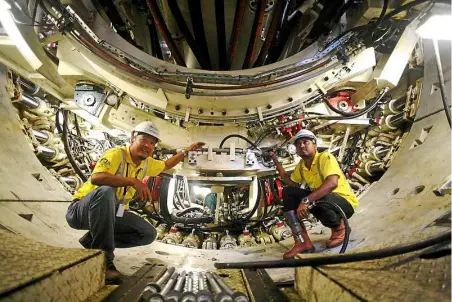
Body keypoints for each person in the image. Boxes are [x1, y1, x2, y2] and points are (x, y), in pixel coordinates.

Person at [66, 121, 204, 281]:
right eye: (144, 140)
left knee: (147, 233)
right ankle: (104, 260)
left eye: (152, 143)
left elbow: (166, 165)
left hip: (109, 213)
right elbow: (97, 178)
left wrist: (186, 152)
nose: (148, 145)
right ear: (132, 140)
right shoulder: (116, 154)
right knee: (106, 191)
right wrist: (133, 181)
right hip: (81, 211)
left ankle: (91, 240)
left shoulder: (147, 163)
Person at [271, 129, 359, 259]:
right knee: (288, 192)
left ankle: (340, 229)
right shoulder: (302, 166)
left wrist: (305, 200)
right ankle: (302, 242)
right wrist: (275, 160)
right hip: (323, 202)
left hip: (345, 203)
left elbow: (332, 184)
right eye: (298, 144)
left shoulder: (325, 157)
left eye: (305, 142)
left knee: (320, 197)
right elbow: (290, 183)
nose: (301, 146)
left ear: (315, 145)